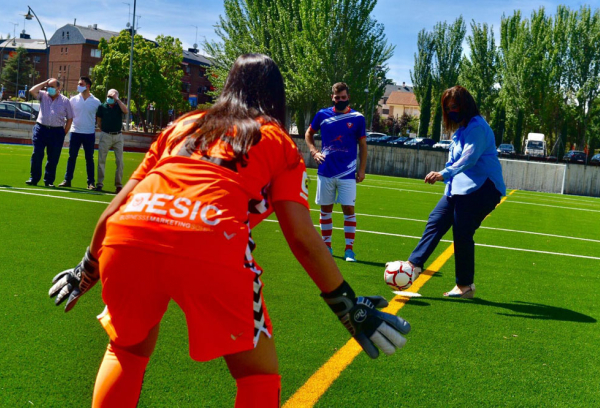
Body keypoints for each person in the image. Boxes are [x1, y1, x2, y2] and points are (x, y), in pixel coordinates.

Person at [48, 54, 410, 407]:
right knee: (258, 375)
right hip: (209, 242)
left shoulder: (182, 125)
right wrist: (347, 306)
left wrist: (87, 266)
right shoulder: (277, 140)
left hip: (128, 234)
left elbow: (115, 207)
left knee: (126, 348)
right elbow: (301, 237)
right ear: (275, 95)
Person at [391, 85, 506, 298]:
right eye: (448, 107)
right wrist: (447, 187)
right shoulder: (459, 132)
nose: (451, 110)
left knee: (462, 230)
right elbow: (454, 161)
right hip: (460, 188)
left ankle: (465, 286)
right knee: (436, 220)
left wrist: (443, 173)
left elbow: (469, 159)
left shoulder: (477, 127)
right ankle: (412, 268)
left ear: (466, 106)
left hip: (485, 188)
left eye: (455, 106)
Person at [305, 82, 367, 262]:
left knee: (349, 209)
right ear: (332, 97)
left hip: (347, 173)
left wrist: (361, 170)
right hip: (326, 171)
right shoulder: (322, 114)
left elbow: (363, 146)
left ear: (348, 97)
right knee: (326, 210)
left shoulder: (358, 118)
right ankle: (327, 247)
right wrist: (314, 152)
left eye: (343, 97)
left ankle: (349, 250)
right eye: (337, 97)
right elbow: (309, 133)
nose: (340, 100)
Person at [27, 78, 74, 187]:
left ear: (59, 88)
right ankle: (33, 178)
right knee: (37, 154)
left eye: (52, 87)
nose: (49, 89)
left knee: (53, 157)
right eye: (48, 86)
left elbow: (70, 118)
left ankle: (49, 181)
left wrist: (64, 133)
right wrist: (45, 82)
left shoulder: (65, 101)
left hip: (57, 132)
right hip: (41, 129)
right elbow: (32, 90)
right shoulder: (43, 95)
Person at [59, 77, 101, 190]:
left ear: (87, 86)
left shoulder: (96, 102)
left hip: (89, 133)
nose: (78, 86)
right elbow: (68, 115)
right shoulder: (73, 100)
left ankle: (91, 183)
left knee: (89, 158)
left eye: (80, 84)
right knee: (71, 157)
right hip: (75, 132)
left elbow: (99, 118)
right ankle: (67, 180)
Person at [96, 89, 128, 193]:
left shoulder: (119, 106)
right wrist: (104, 130)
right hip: (106, 135)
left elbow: (126, 111)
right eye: (109, 96)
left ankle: (118, 185)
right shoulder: (102, 106)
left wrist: (117, 100)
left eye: (112, 97)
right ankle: (99, 183)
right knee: (101, 160)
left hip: (118, 136)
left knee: (120, 161)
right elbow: (99, 121)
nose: (110, 98)